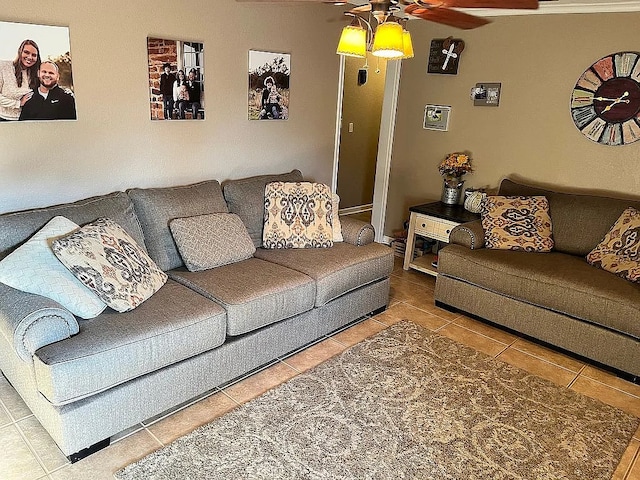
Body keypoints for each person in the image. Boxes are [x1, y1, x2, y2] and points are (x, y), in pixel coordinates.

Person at [0, 39, 41, 121]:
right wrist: (18, 103)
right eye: (26, 52)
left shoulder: (36, 72)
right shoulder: (4, 67)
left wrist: (66, 92)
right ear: (20, 52)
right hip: (4, 118)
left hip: (27, 119)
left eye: (34, 55)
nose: (30, 57)